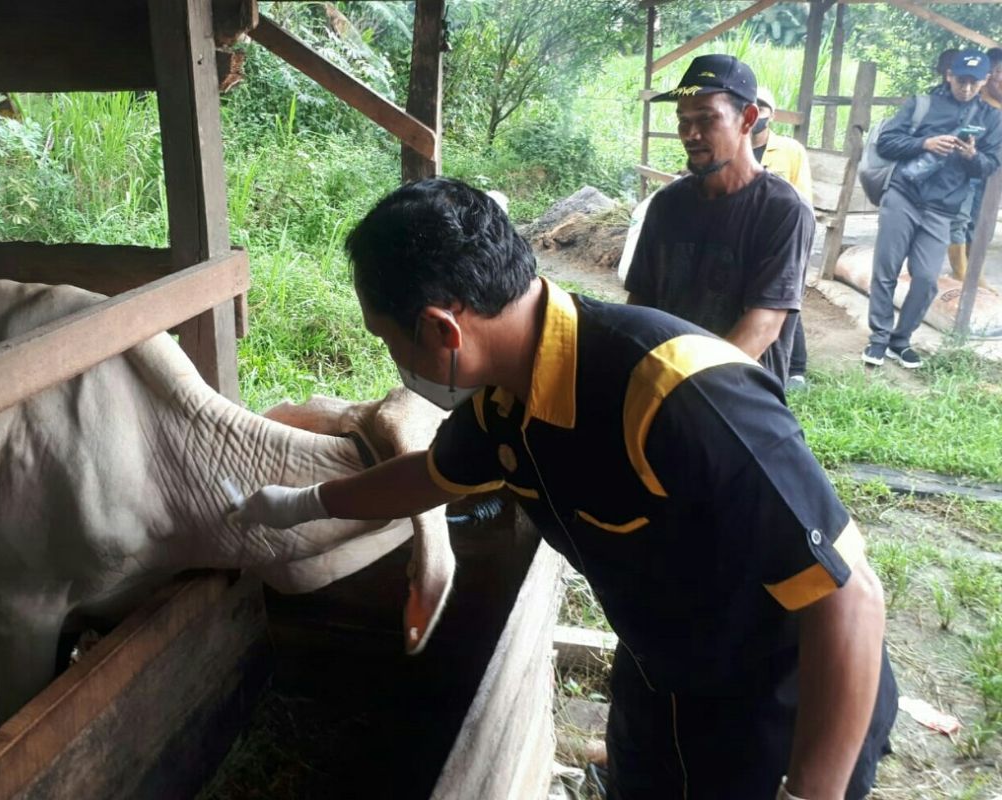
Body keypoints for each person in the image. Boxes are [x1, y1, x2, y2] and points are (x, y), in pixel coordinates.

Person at [231, 176, 897, 799]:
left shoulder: (676, 394)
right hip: (662, 676)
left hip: (779, 710)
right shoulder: (504, 402)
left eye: (387, 339)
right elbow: (427, 477)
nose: (393, 360)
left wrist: (809, 793)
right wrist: (300, 504)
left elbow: (850, 599)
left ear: (442, 327)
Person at [623, 54, 813, 385]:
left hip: (738, 396)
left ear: (748, 118)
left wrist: (688, 387)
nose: (690, 134)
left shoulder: (783, 210)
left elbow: (763, 327)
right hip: (662, 387)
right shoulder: (667, 204)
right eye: (683, 120)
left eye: (707, 119)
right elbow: (641, 302)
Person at [863, 49, 1002, 369]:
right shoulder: (922, 104)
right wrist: (924, 144)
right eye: (961, 81)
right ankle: (879, 338)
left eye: (974, 82)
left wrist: (971, 157)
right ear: (949, 76)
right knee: (886, 269)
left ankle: (901, 340)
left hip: (942, 208)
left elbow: (990, 165)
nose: (967, 88)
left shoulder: (991, 118)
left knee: (926, 278)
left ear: (984, 81)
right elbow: (887, 143)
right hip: (903, 194)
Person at [753, 85, 816, 391]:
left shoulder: (789, 150)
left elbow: (801, 196)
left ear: (771, 115)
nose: (755, 113)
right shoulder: (730, 147)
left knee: (786, 303)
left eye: (762, 108)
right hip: (747, 238)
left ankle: (796, 369)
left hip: (781, 236)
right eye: (750, 106)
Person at [947, 48, 1002, 293]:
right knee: (960, 218)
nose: (1000, 78)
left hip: (991, 170)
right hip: (967, 168)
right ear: (987, 76)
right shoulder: (977, 102)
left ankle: (973, 272)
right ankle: (961, 272)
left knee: (982, 222)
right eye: (997, 72)